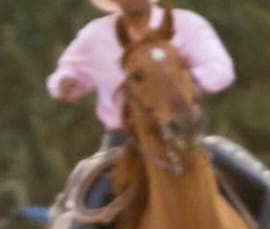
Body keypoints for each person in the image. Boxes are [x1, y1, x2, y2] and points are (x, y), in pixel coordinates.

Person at [49, 0, 233, 152]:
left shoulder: (187, 24)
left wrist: (179, 80)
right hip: (122, 139)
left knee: (250, 180)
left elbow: (220, 68)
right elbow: (67, 70)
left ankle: (262, 191)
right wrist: (64, 82)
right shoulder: (94, 36)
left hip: (182, 129)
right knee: (84, 187)